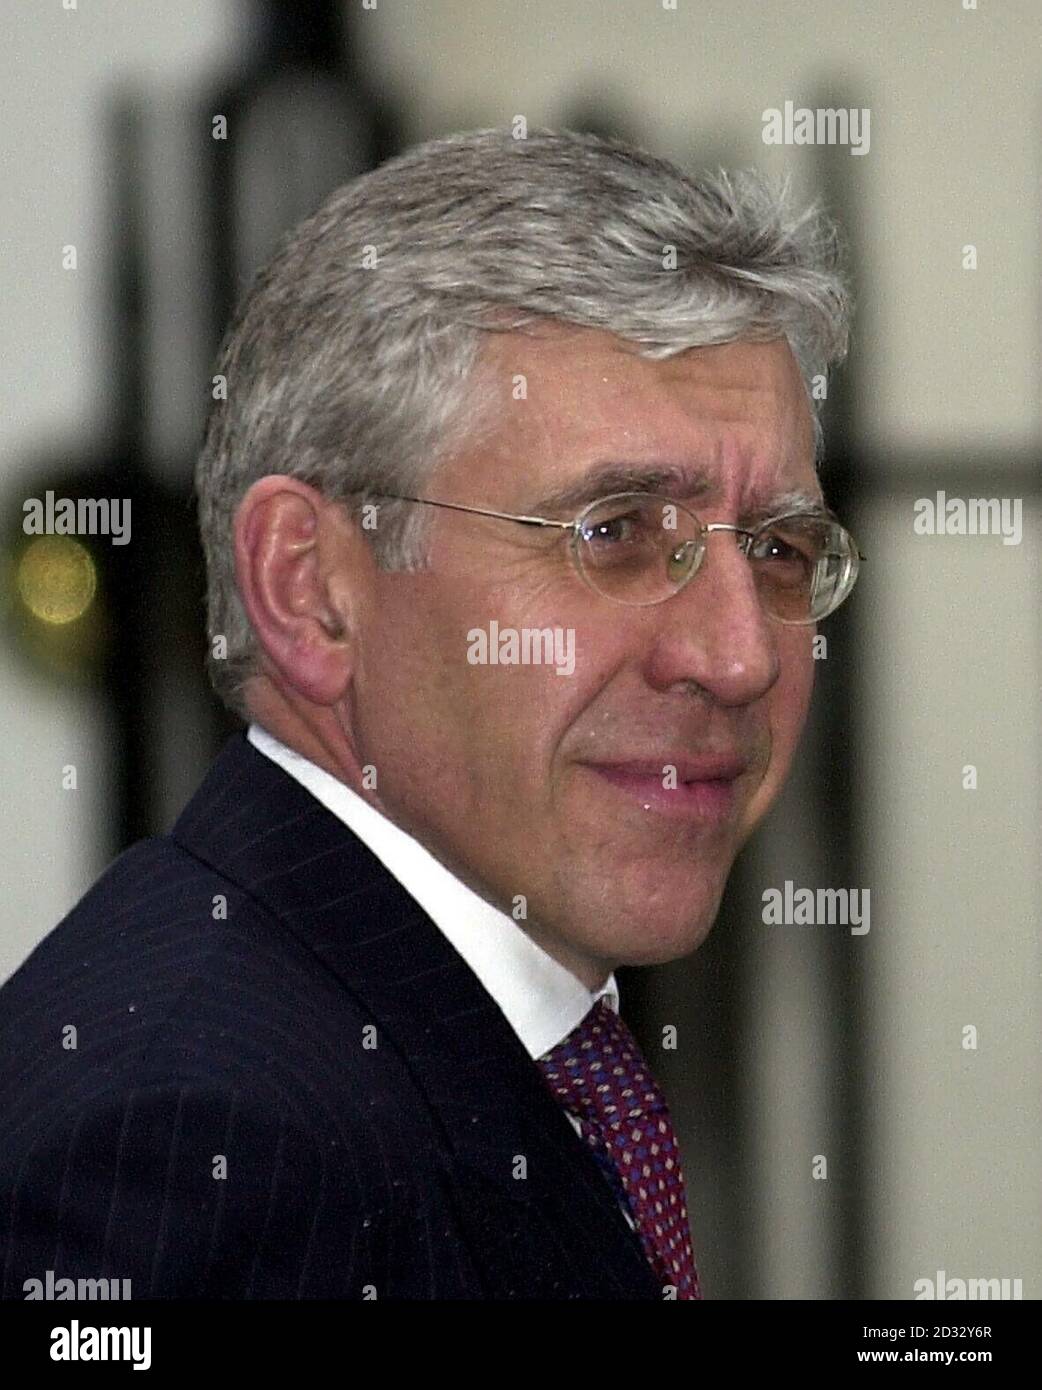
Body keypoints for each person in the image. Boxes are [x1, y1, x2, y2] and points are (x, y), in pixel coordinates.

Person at [0, 126, 857, 1300]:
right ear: (310, 589)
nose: (739, 653)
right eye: (610, 532)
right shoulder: (200, 1145)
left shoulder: (459, 1044)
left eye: (776, 547)